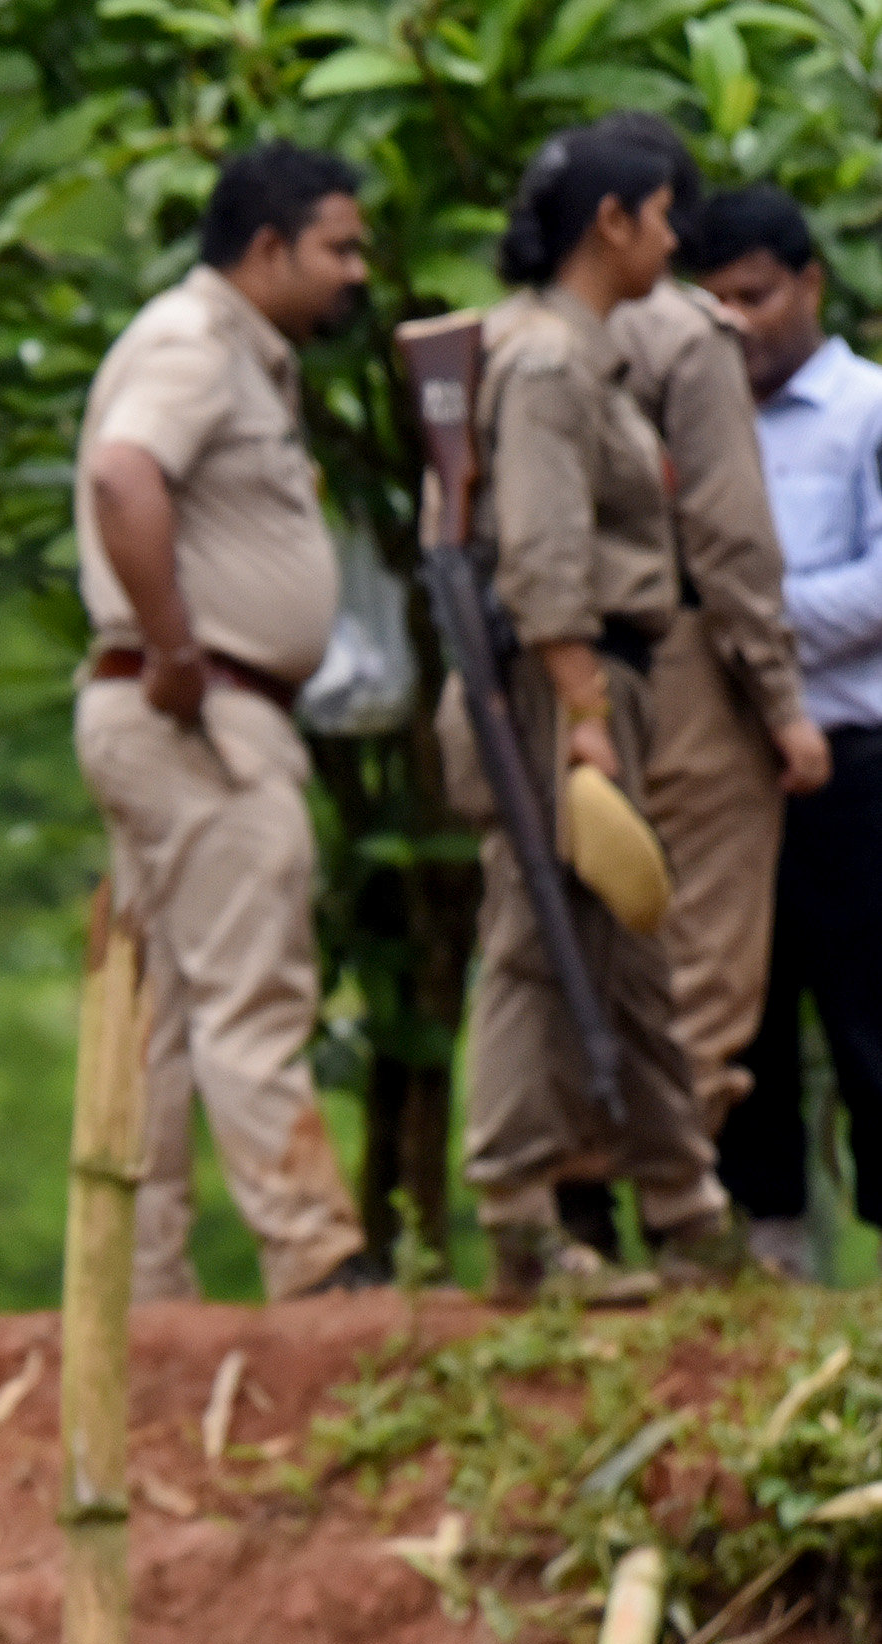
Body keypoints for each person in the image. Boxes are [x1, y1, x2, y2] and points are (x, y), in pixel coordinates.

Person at [71, 143, 381, 1303]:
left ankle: (140, 1288)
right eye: (337, 247)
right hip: (198, 715)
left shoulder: (241, 356)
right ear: (265, 249)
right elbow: (121, 476)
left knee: (158, 1008)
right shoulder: (191, 346)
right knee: (252, 984)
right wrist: (176, 651)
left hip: (172, 711)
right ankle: (313, 1258)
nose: (355, 271)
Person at [442, 125, 743, 1306]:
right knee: (536, 935)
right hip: (554, 677)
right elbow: (542, 548)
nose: (673, 239)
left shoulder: (573, 352)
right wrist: (578, 711)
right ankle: (518, 1216)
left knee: (625, 937)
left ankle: (683, 1202)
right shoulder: (548, 365)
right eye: (660, 213)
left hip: (595, 670)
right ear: (610, 223)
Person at [551, 118, 827, 1265]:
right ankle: (680, 1213)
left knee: (572, 942)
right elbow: (725, 533)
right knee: (702, 952)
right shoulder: (679, 338)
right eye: (668, 219)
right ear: (622, 220)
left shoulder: (516, 340)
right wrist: (777, 702)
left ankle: (565, 1204)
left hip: (562, 676)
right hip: (684, 666)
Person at [687, 183, 882, 1277]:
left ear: (806, 283)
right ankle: (764, 1263)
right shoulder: (692, 417)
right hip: (729, 771)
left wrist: (750, 621)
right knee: (741, 1019)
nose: (736, 323)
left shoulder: (866, 413)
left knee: (868, 1016)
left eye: (753, 296)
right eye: (712, 303)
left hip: (851, 769)